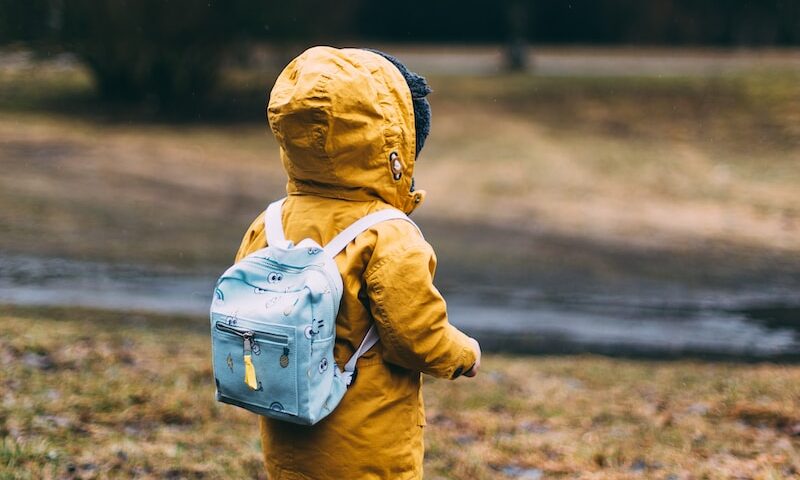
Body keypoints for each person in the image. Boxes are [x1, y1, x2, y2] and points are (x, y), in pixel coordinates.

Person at [234, 46, 482, 480]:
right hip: (367, 444)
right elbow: (415, 333)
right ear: (394, 145)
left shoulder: (270, 222)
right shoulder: (387, 234)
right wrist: (462, 354)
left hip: (288, 431)